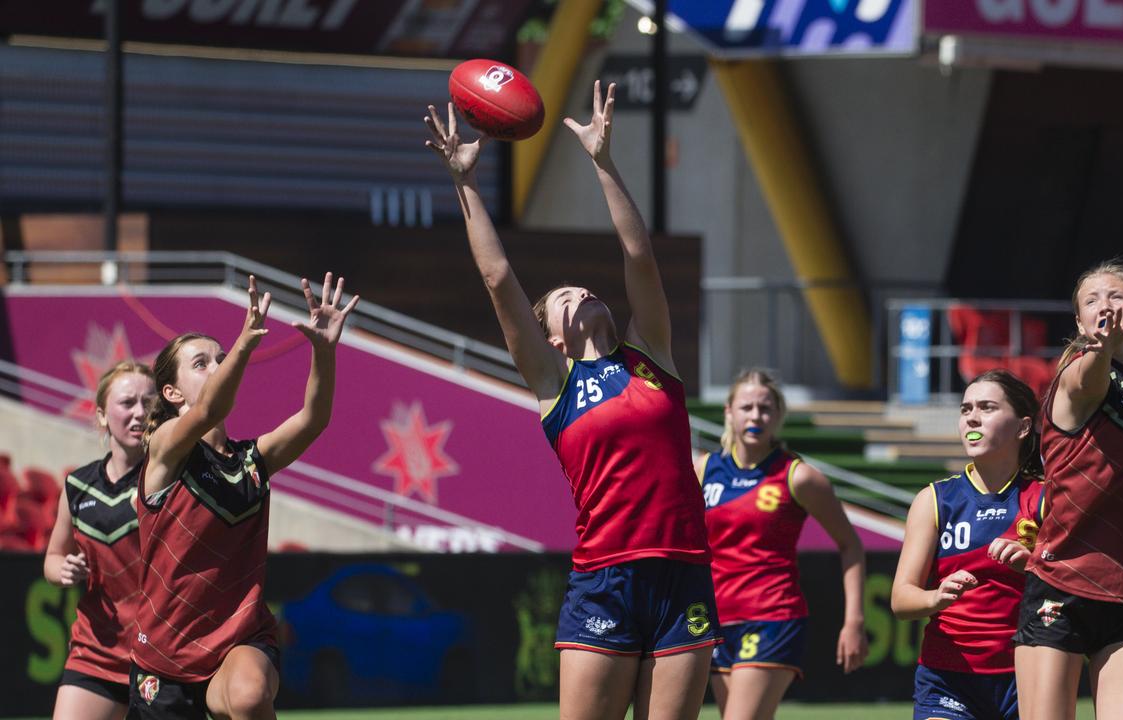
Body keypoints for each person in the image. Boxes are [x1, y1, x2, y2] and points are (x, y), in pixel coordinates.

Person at [424, 80, 719, 720]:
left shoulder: (652, 356)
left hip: (683, 573)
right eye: (563, 297)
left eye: (583, 287)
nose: (580, 291)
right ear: (552, 337)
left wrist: (603, 160)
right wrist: (465, 184)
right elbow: (499, 279)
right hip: (605, 577)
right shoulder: (554, 387)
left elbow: (638, 254)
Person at [128, 273, 358, 720]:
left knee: (251, 697)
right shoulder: (165, 450)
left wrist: (324, 352)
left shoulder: (253, 461)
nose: (217, 366)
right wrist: (244, 344)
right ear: (172, 393)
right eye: (202, 363)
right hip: (164, 662)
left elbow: (314, 419)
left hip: (239, 642)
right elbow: (211, 409)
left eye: (220, 358)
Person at [1013, 259, 1123, 720]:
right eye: (1091, 300)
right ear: (1080, 321)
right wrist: (1100, 350)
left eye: (1116, 296)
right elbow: (1090, 382)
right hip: (1063, 582)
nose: (1105, 305)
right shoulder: (1076, 376)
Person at [696, 368, 867, 720]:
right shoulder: (704, 470)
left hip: (773, 616)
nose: (756, 416)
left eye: (765, 408)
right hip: (715, 619)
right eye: (746, 407)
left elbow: (850, 545)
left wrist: (854, 621)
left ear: (778, 416)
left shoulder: (799, 476)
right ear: (729, 412)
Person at [891, 369, 1045, 720]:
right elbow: (901, 598)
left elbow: (1074, 585)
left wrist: (1033, 564)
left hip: (1029, 673)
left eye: (987, 407)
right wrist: (936, 597)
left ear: (1022, 428)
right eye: (965, 409)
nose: (972, 417)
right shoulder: (934, 499)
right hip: (947, 679)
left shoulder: (1044, 499)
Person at [44, 361, 156, 720]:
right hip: (95, 654)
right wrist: (64, 569)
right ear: (103, 415)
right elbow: (53, 557)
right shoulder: (77, 486)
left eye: (149, 403)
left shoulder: (171, 482)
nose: (139, 413)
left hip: (160, 657)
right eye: (127, 403)